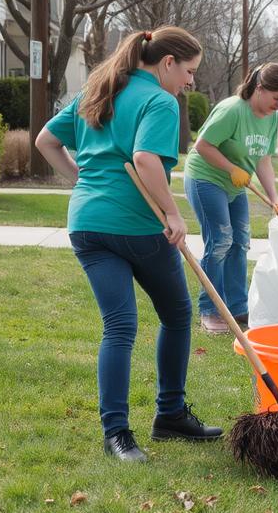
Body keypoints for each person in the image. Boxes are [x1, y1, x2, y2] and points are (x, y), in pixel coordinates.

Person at [35, 26, 222, 463]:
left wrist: (82, 180)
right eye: (190, 71)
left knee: (119, 326)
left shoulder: (99, 89)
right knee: (176, 316)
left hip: (86, 223)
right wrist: (174, 214)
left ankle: (117, 435)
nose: (191, 82)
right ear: (168, 62)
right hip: (136, 228)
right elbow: (144, 158)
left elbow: (46, 140)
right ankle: (170, 414)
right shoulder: (159, 100)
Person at [184, 63, 278, 333]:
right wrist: (231, 168)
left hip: (235, 186)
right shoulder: (233, 110)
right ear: (259, 88)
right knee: (220, 241)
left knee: (240, 242)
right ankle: (210, 310)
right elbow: (202, 146)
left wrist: (274, 198)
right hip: (206, 179)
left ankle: (236, 307)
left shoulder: (271, 118)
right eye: (276, 98)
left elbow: (264, 159)